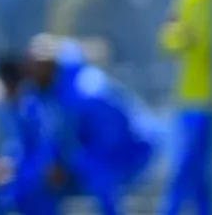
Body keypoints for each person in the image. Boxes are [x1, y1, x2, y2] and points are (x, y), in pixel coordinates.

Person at [18, 35, 155, 215]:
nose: (30, 72)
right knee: (30, 180)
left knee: (97, 171)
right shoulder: (43, 93)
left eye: (36, 66)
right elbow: (50, 135)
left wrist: (66, 163)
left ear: (50, 64)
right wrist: (54, 162)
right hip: (81, 156)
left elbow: (109, 140)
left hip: (130, 149)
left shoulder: (87, 90)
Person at [159, 0, 212, 215]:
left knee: (208, 175)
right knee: (185, 171)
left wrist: (189, 37)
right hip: (191, 97)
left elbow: (207, 41)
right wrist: (188, 37)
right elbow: (169, 37)